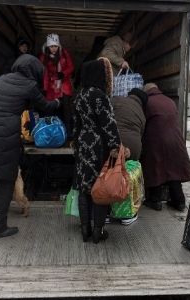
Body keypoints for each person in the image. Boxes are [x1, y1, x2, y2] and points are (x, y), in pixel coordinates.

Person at [0, 54, 60, 239]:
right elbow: (45, 107)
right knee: (6, 180)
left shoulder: (2, 79)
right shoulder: (29, 85)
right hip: (6, 133)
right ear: (35, 71)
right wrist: (57, 102)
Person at [73, 57, 121, 243]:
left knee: (84, 189)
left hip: (82, 145)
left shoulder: (80, 95)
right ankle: (97, 232)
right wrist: (116, 146)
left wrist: (76, 143)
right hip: (98, 145)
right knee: (100, 188)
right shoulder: (100, 95)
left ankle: (85, 230)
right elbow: (109, 124)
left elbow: (75, 125)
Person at [141, 83, 190, 212]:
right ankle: (179, 202)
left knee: (155, 168)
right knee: (174, 170)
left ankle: (155, 201)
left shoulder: (147, 102)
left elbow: (142, 122)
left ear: (146, 91)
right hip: (176, 139)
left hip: (156, 140)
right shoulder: (169, 101)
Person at [39, 33, 75, 139]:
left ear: (59, 46)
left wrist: (63, 73)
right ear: (47, 46)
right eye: (51, 46)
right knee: (52, 110)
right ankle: (52, 133)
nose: (53, 49)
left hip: (64, 86)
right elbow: (44, 73)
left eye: (55, 46)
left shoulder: (64, 53)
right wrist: (44, 89)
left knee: (66, 111)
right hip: (51, 87)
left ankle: (68, 133)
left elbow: (71, 67)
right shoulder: (43, 57)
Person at [111, 88, 147, 161]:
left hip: (115, 145)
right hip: (134, 149)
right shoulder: (142, 115)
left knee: (111, 171)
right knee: (128, 171)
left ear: (129, 94)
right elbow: (141, 135)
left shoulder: (117, 99)